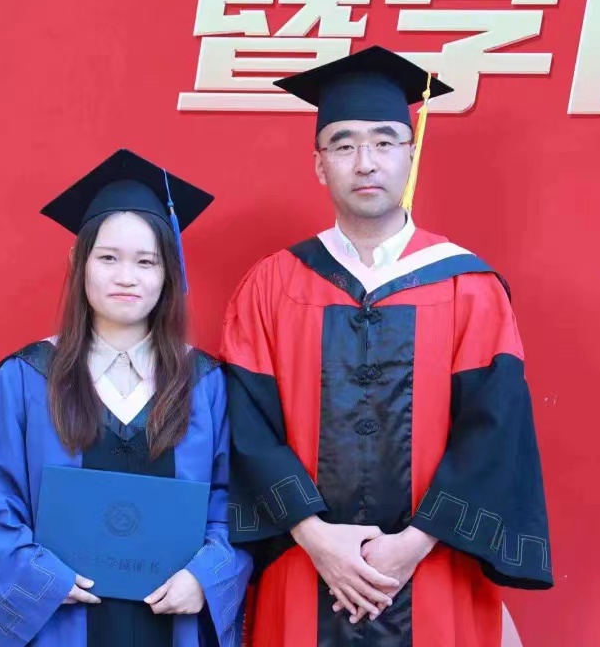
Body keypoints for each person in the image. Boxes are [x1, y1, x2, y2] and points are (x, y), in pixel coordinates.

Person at [219, 45, 554, 647]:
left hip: (434, 566)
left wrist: (412, 545)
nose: (365, 162)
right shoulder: (272, 285)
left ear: (410, 154)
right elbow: (246, 427)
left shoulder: (467, 286)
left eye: (384, 141)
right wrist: (318, 538)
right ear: (319, 164)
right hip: (307, 564)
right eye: (343, 145)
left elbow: (495, 432)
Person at [0, 148, 252, 647]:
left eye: (146, 261)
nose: (127, 277)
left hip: (172, 625)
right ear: (79, 263)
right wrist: (41, 579)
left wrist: (206, 575)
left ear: (168, 272)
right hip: (62, 625)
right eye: (108, 258)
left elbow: (236, 500)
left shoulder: (207, 384)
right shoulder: (24, 380)